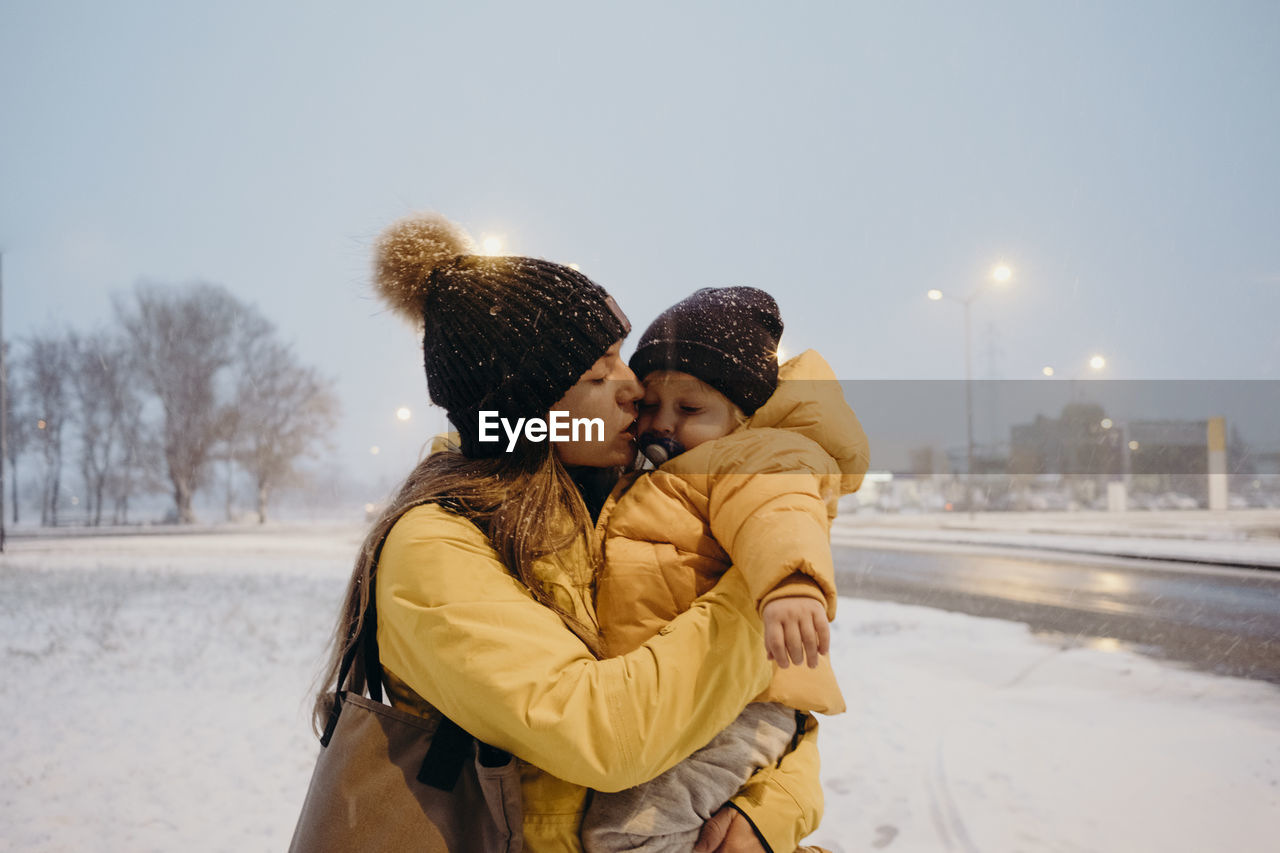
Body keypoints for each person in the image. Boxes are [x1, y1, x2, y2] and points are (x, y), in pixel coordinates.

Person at [313, 213, 825, 853]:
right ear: (529, 415)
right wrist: (760, 589)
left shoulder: (633, 494)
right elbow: (605, 737)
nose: (633, 389)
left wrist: (766, 815)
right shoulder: (436, 545)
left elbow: (777, 711)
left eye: (619, 356)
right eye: (596, 375)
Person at [582, 287, 869, 852]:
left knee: (625, 837)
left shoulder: (753, 456)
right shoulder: (650, 474)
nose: (662, 424)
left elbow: (777, 509)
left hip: (736, 709)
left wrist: (791, 584)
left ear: (741, 417)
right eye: (649, 405)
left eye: (690, 410)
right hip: (683, 707)